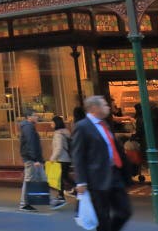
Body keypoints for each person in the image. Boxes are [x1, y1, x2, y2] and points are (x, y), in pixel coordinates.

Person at [72, 95, 132, 231]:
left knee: (124, 211)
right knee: (102, 217)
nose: (108, 107)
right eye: (105, 105)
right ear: (94, 108)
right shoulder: (82, 127)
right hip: (96, 178)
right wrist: (81, 181)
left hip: (114, 173)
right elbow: (78, 155)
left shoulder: (104, 124)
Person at [18, 108, 44, 212]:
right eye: (35, 115)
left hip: (31, 158)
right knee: (29, 179)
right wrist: (35, 159)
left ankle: (29, 202)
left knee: (33, 178)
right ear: (29, 117)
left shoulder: (28, 127)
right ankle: (24, 204)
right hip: (30, 159)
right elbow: (31, 143)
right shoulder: (28, 127)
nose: (37, 117)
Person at [49, 115, 71, 207]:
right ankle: (74, 190)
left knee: (60, 178)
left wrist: (53, 158)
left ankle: (61, 196)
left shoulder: (58, 134)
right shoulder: (66, 132)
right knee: (64, 177)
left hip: (61, 159)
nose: (51, 124)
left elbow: (58, 148)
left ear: (56, 123)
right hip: (67, 158)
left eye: (52, 122)